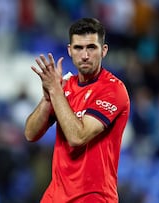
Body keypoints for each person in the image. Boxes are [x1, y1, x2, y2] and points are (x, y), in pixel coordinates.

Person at [24, 18, 130, 202]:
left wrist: (56, 92)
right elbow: (30, 134)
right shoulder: (65, 86)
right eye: (78, 48)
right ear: (69, 50)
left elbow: (77, 137)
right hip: (55, 196)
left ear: (103, 51)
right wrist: (48, 97)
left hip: (93, 197)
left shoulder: (113, 89)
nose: (85, 55)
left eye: (91, 47)